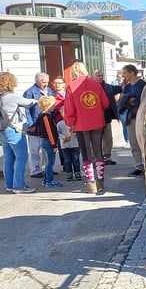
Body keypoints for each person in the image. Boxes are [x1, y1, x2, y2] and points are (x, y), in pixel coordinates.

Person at [63, 62, 109, 194]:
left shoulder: (71, 86)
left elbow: (69, 109)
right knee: (98, 151)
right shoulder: (95, 84)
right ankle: (100, 182)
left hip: (81, 123)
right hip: (97, 121)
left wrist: (69, 123)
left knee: (86, 153)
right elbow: (105, 103)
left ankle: (91, 183)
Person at [0, 72, 38, 194]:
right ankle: (19, 186)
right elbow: (29, 103)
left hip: (1, 130)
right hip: (13, 130)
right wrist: (39, 100)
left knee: (8, 158)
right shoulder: (11, 96)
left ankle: (9, 184)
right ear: (11, 83)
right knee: (21, 157)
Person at [118, 64, 146, 177]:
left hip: (143, 117)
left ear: (132, 73)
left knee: (145, 142)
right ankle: (138, 166)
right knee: (134, 143)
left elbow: (142, 100)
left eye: (125, 73)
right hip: (132, 117)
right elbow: (124, 101)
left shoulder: (143, 85)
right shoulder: (127, 87)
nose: (123, 75)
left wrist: (132, 100)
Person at [23, 72, 52, 178]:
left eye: (47, 82)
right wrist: (31, 124)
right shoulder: (30, 92)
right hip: (35, 123)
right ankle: (35, 170)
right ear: (37, 81)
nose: (46, 84)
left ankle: (47, 168)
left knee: (46, 148)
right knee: (35, 149)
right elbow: (26, 110)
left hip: (46, 123)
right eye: (43, 82)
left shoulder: (49, 90)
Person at [32, 96, 63, 188]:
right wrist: (54, 144)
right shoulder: (46, 117)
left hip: (46, 140)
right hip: (48, 141)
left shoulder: (42, 115)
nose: (54, 106)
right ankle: (50, 180)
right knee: (50, 162)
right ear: (47, 106)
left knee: (48, 161)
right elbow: (49, 131)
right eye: (52, 104)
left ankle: (46, 179)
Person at [93, 69, 122, 166]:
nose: (101, 77)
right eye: (98, 75)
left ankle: (107, 157)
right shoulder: (90, 88)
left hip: (107, 118)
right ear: (93, 77)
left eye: (101, 75)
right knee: (96, 139)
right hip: (95, 119)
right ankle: (97, 158)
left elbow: (119, 88)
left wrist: (125, 81)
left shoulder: (108, 87)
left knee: (108, 139)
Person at [57, 106, 81, 182]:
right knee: (67, 160)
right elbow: (57, 133)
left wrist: (72, 134)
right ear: (61, 114)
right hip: (64, 145)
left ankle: (77, 173)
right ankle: (69, 174)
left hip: (75, 144)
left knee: (76, 160)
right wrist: (63, 137)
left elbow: (78, 131)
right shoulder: (60, 124)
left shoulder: (74, 122)